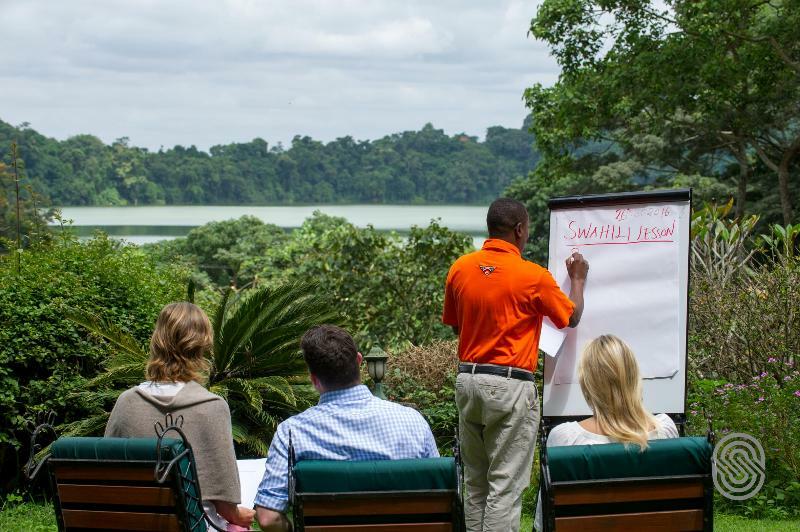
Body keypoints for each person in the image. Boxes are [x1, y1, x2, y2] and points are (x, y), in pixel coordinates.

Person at [442, 197, 588, 532]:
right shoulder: (533, 276)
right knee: (504, 487)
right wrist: (578, 279)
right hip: (509, 385)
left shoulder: (460, 268)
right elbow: (572, 316)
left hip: (468, 381)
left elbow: (456, 324)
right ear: (519, 230)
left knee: (476, 484)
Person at [254, 324, 439, 532]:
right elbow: (440, 495)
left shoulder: (292, 433)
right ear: (359, 361)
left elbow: (268, 518)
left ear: (314, 379)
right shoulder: (412, 421)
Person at [105, 302, 255, 529]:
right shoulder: (212, 407)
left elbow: (106, 477)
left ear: (156, 341)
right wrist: (240, 517)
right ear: (202, 346)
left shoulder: (126, 402)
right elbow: (226, 509)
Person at [533, 334, 679, 530]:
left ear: (588, 384)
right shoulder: (666, 430)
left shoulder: (566, 439)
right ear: (634, 376)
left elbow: (544, 523)